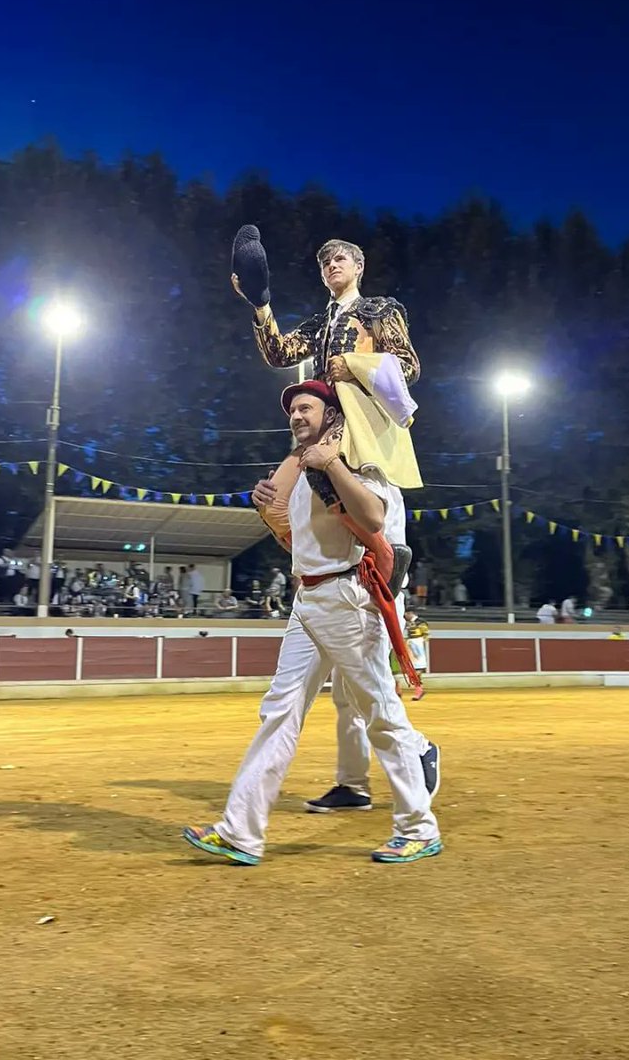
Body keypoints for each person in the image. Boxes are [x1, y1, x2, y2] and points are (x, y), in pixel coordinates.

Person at [183, 380, 441, 866]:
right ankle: (240, 831)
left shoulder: (359, 457)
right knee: (279, 710)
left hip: (348, 599)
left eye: (307, 407)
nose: (297, 416)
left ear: (331, 414)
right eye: (293, 411)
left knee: (381, 714)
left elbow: (373, 518)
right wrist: (270, 510)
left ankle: (419, 827)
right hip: (309, 598)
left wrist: (334, 466)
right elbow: (297, 547)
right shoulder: (300, 471)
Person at [232, 226, 425, 808]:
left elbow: (408, 368)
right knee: (274, 504)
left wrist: (351, 361)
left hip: (361, 448)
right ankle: (355, 781)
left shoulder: (378, 309)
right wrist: (260, 301)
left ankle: (406, 757)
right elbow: (276, 354)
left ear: (359, 265)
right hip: (321, 446)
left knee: (361, 656)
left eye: (339, 256)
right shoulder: (317, 323)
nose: (329, 264)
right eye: (322, 260)